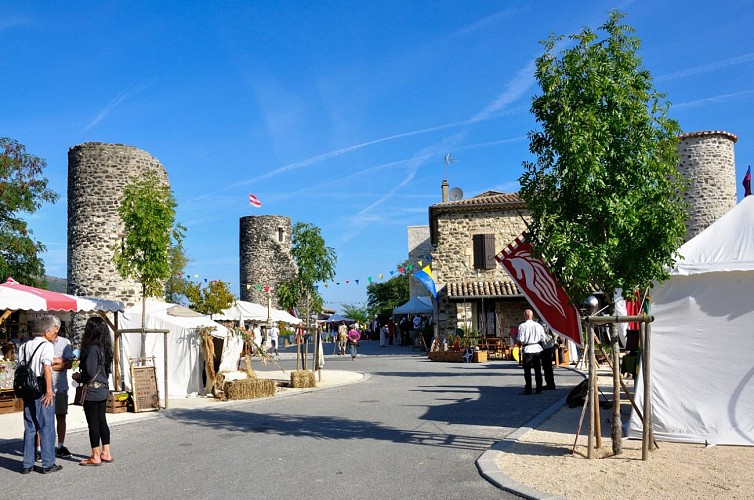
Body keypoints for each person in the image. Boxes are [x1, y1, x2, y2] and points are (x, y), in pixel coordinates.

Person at [20, 315, 61, 474]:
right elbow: (46, 368)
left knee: (30, 427)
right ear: (47, 331)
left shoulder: (23, 346)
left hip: (26, 389)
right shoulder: (46, 346)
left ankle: (27, 464)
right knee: (46, 426)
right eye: (53, 330)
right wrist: (49, 391)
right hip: (41, 388)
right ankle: (48, 463)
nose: (54, 333)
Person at [72, 316, 114, 466]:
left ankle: (95, 455)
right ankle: (106, 452)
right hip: (103, 388)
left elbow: (89, 372)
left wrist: (78, 376)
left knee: (93, 423)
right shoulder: (106, 348)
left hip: (92, 391)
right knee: (102, 420)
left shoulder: (91, 349)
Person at [49, 317, 74, 459]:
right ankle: (40, 448)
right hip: (44, 386)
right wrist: (59, 361)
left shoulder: (65, 343)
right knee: (43, 419)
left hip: (60, 386)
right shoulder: (42, 342)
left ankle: (60, 445)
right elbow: (41, 365)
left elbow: (69, 364)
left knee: (61, 416)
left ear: (56, 328)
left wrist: (50, 363)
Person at [516, 309, 545, 395]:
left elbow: (520, 339)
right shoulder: (538, 325)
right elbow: (543, 338)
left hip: (528, 348)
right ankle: (539, 389)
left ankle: (528, 389)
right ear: (532, 316)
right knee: (538, 370)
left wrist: (516, 339)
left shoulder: (522, 326)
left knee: (527, 370)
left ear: (525, 316)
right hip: (537, 348)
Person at [540, 325, 556, 390]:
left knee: (548, 365)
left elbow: (554, 333)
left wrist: (553, 342)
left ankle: (551, 384)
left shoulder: (546, 321)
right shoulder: (540, 320)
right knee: (545, 365)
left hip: (548, 346)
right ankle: (548, 383)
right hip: (543, 346)